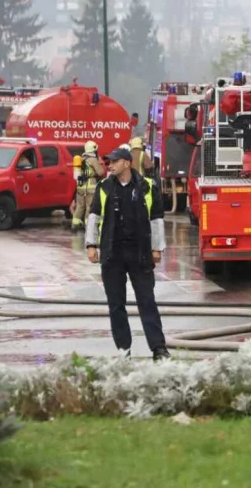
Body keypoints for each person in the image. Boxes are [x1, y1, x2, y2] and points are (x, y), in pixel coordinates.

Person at [84, 147, 169, 360]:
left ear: (127, 163)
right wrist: (91, 245)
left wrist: (157, 248)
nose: (109, 165)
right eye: (109, 162)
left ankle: (158, 349)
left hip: (139, 254)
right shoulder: (104, 187)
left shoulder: (147, 187)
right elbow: (94, 216)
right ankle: (124, 350)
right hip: (113, 255)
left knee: (147, 301)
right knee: (116, 305)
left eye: (114, 161)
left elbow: (156, 219)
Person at [71, 141, 104, 229]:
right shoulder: (93, 160)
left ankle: (75, 223)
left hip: (80, 186)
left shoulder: (81, 159)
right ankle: (88, 225)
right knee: (89, 206)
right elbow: (101, 172)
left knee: (80, 206)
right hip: (91, 187)